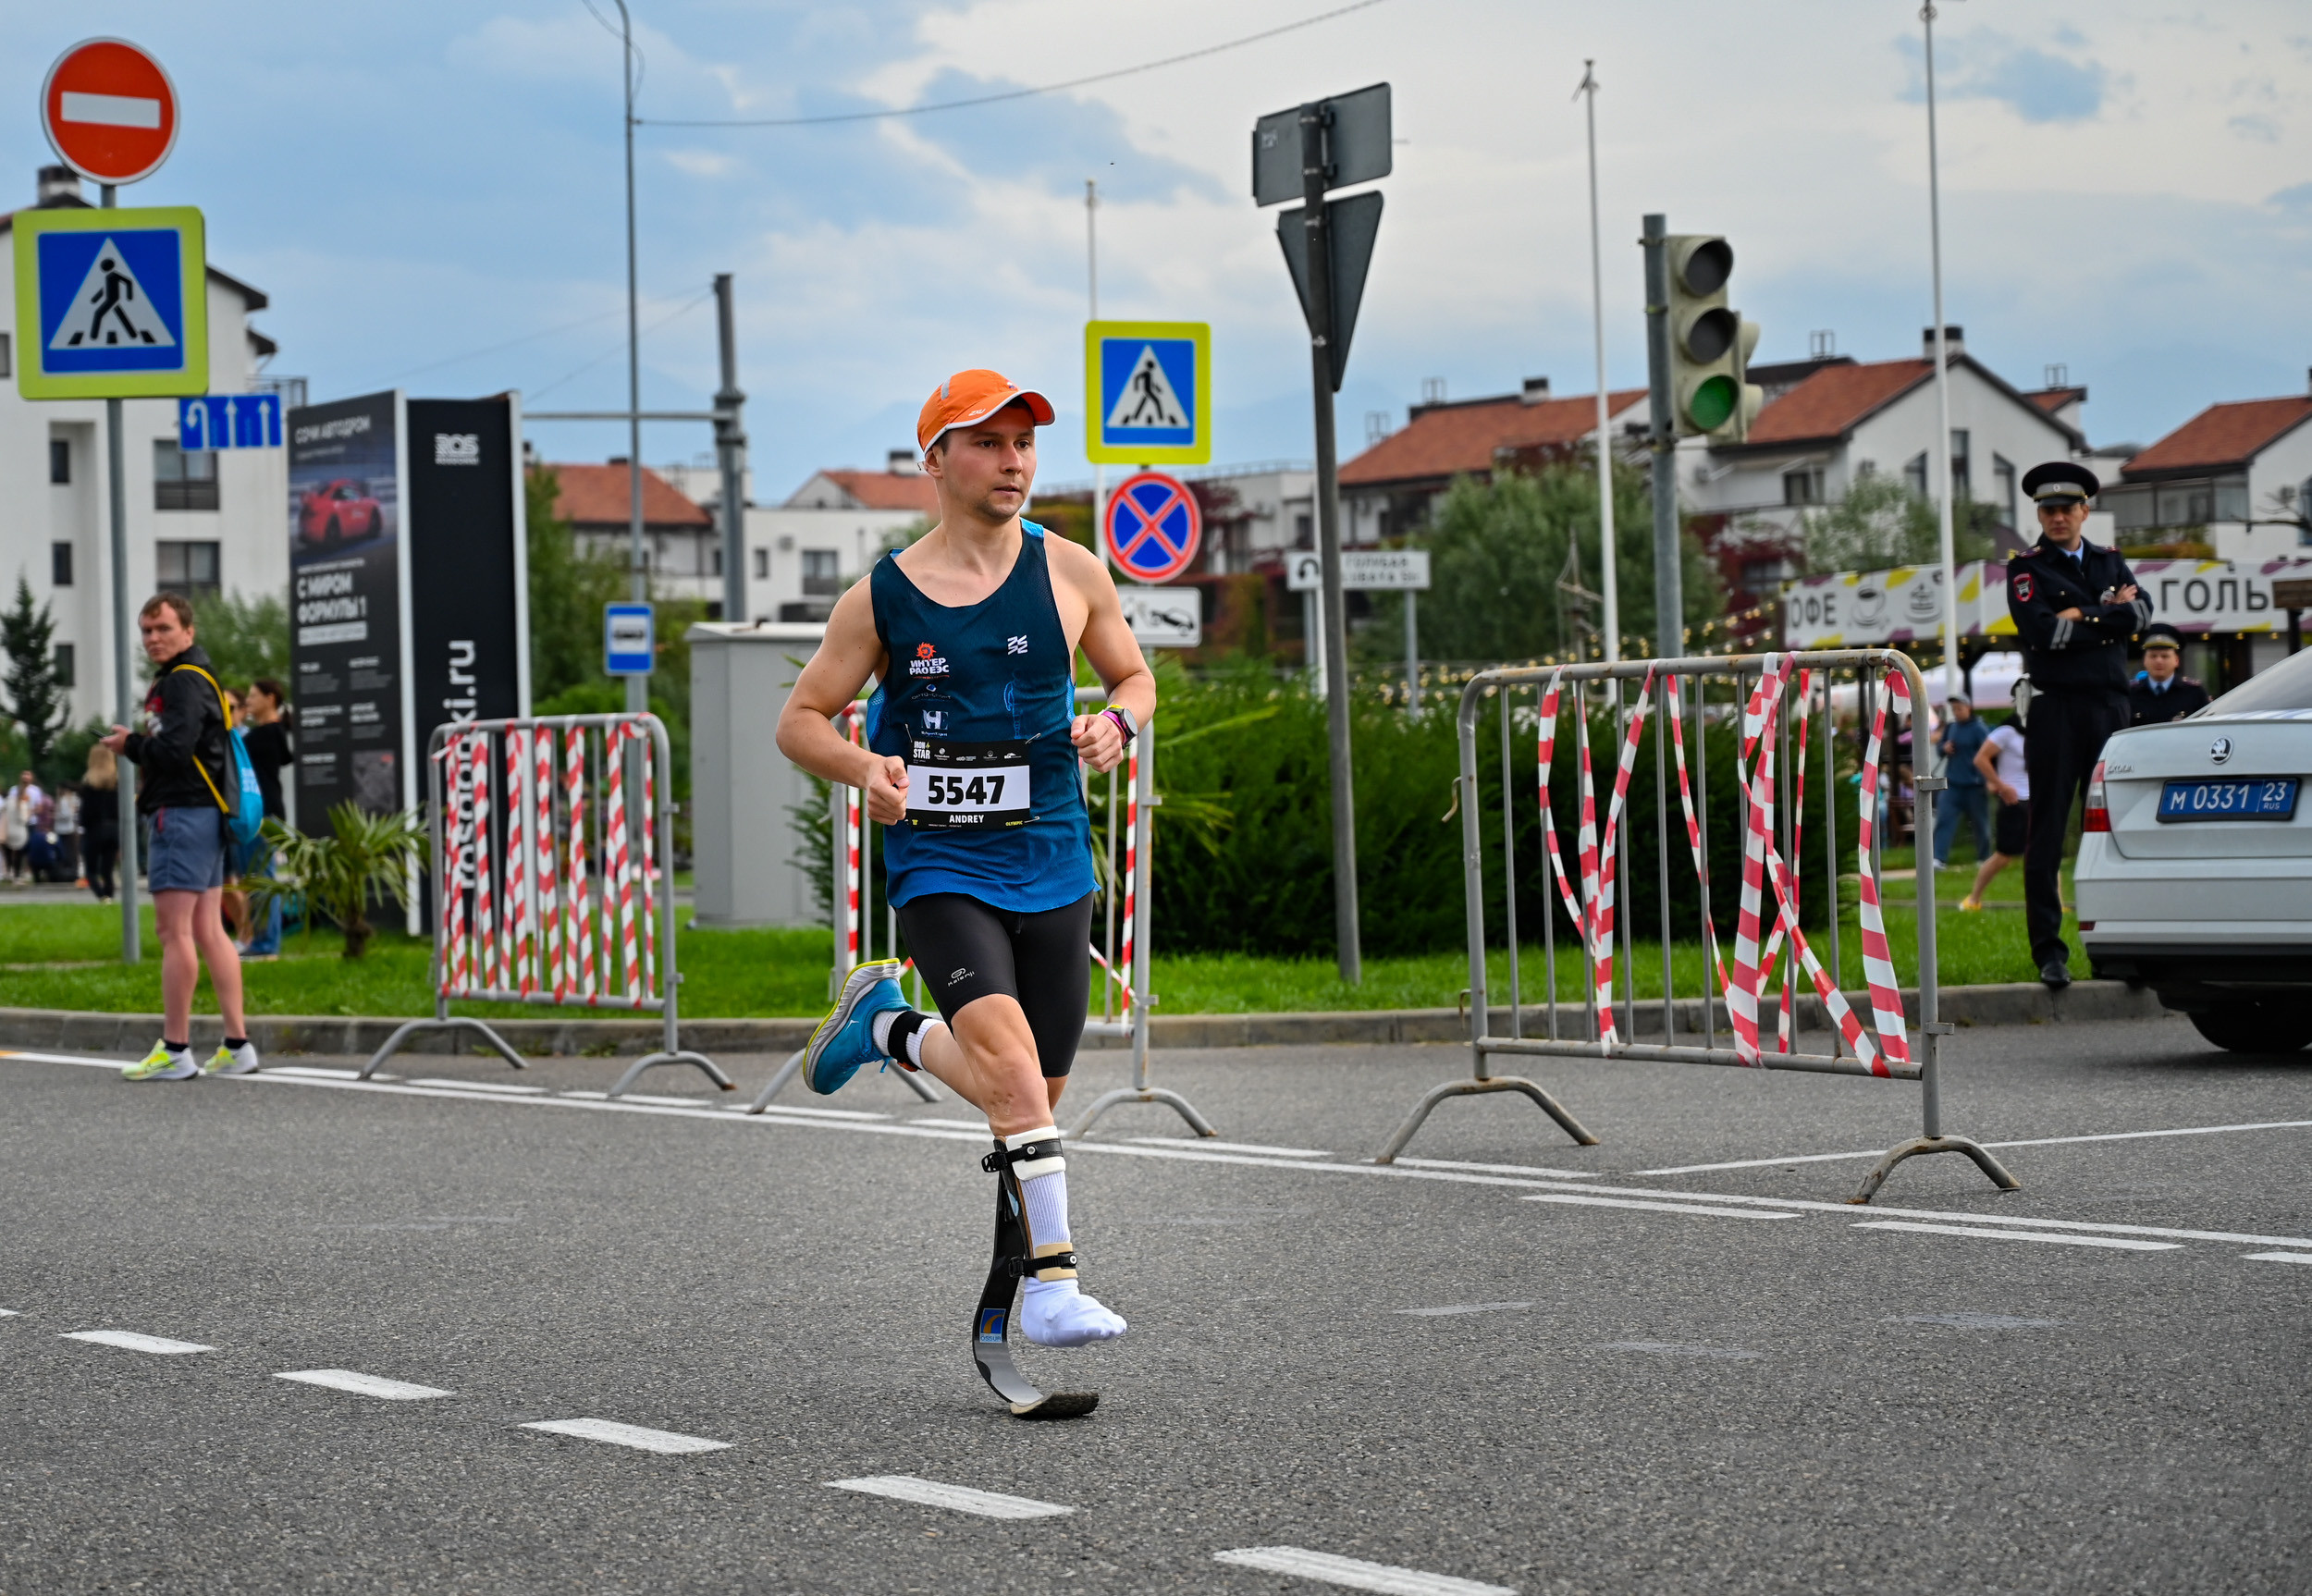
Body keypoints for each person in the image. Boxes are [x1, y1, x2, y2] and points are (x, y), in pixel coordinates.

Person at [776, 369, 1155, 1352]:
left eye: (1024, 442)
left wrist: (1116, 722)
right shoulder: (884, 598)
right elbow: (799, 721)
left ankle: (887, 1027)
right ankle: (1052, 1289)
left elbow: (1134, 676)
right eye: (987, 442)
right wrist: (866, 767)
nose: (1013, 460)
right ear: (935, 460)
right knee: (1014, 1085)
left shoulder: (1071, 570)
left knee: (1026, 1095)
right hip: (940, 861)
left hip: (1053, 860)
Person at [99, 592, 259, 1082]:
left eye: (163, 628)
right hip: (204, 815)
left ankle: (175, 1048)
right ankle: (236, 1046)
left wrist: (131, 745)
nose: (153, 638)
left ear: (188, 632)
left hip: (182, 812)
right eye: (147, 630)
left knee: (174, 932)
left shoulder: (183, 683)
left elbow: (173, 749)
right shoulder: (197, 677)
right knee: (210, 930)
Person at [2005, 461, 2151, 987]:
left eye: (2068, 508)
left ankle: (2126, 946)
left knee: (2120, 827)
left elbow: (2142, 619)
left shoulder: (2111, 561)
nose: (2058, 517)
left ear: (2086, 511)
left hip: (2110, 707)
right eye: (2049, 510)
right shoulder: (2026, 569)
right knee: (2046, 831)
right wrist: (2106, 617)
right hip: (2056, 709)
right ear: (2039, 515)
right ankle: (2050, 952)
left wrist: (2081, 616)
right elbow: (2043, 634)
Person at [234, 678, 294, 958]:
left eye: (254, 696)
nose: (248, 702)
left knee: (261, 878)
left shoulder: (265, 735)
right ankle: (262, 940)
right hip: (265, 813)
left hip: (261, 814)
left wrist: (236, 718)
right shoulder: (272, 733)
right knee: (257, 878)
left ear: (271, 699)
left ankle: (266, 943)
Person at [1961, 707, 2031, 913]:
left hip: (2034, 800)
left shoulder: (2037, 733)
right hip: (2013, 802)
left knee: (2045, 852)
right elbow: (1981, 759)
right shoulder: (2007, 732)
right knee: (2003, 856)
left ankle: (2056, 903)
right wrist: (2000, 785)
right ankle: (1973, 900)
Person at [1932, 695, 1992, 869]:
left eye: (1959, 708)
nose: (1956, 712)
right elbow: (1940, 748)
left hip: (1975, 785)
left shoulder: (1979, 729)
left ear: (1968, 708)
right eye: (1954, 709)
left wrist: (1988, 779)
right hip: (1953, 784)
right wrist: (1944, 748)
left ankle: (1984, 858)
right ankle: (1939, 858)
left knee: (1981, 823)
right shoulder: (1951, 727)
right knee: (1944, 819)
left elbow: (1988, 753)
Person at [2129, 622, 2210, 725]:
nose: (2159, 661)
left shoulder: (2194, 692)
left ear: (2176, 660)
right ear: (2144, 661)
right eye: (2153, 656)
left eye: (2165, 656)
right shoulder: (2130, 693)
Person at [78, 744, 121, 902]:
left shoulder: (89, 784)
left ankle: (102, 897)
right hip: (114, 829)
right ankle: (109, 896)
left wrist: (83, 825)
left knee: (91, 871)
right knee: (107, 870)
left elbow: (86, 812)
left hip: (95, 829)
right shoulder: (117, 783)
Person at [2, 771, 35, 882]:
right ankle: (17, 874)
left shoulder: (9, 800)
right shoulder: (23, 804)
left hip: (9, 830)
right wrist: (29, 812)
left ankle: (9, 872)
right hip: (20, 832)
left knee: (8, 852)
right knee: (19, 854)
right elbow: (24, 819)